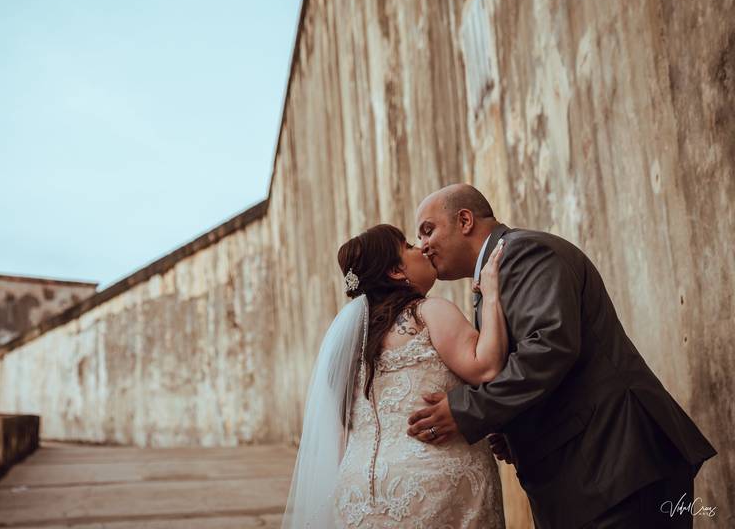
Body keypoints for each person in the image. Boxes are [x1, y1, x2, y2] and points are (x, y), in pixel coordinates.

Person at [407, 183, 718, 528]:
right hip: (591, 475)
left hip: (620, 465)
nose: (423, 246)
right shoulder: (497, 272)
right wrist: (513, 428)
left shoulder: (523, 253)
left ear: (464, 220)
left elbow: (549, 347)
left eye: (428, 230)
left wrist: (468, 410)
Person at [282, 223, 507, 528]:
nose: (422, 248)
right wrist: (492, 295)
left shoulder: (352, 344)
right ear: (397, 271)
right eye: (409, 246)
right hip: (433, 485)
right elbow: (486, 367)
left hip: (356, 491)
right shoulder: (428, 312)